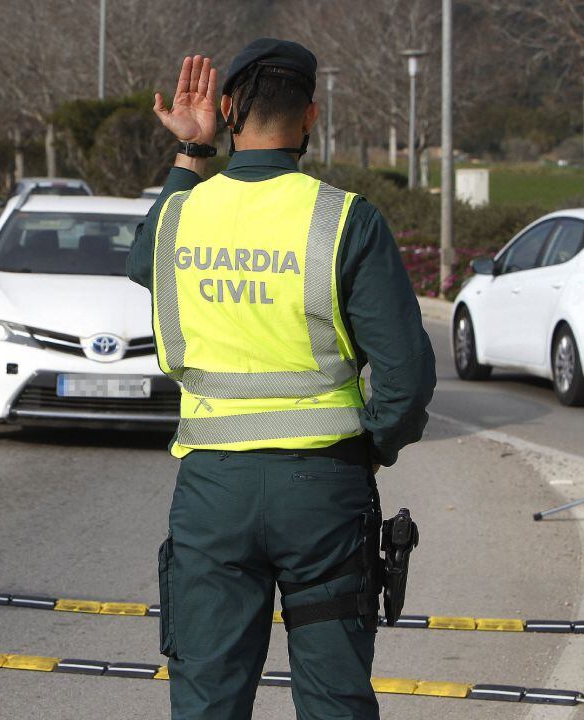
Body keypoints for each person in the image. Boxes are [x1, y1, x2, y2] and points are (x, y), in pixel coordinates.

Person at [126, 40, 437, 720]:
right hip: (323, 491)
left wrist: (191, 153)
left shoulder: (180, 216)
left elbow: (139, 265)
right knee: (334, 700)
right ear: (313, 117)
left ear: (230, 108)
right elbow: (408, 378)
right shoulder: (345, 219)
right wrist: (370, 448)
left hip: (214, 495)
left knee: (207, 699)